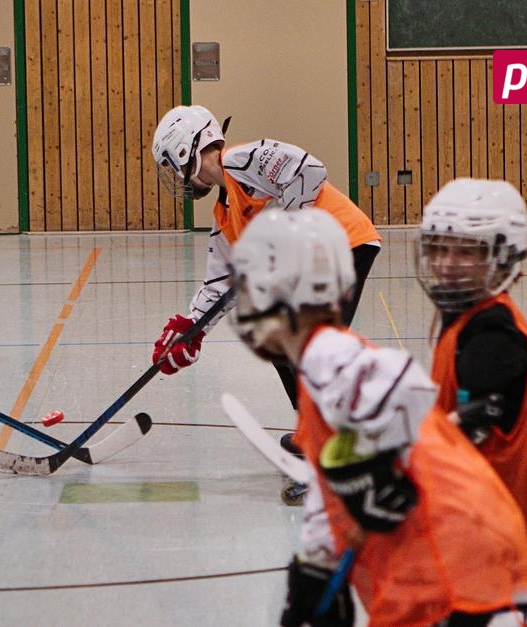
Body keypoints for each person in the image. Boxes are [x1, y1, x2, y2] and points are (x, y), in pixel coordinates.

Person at [228, 208, 527, 626]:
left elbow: (404, 385)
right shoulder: (312, 373)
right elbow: (326, 481)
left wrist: (376, 467)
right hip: (448, 559)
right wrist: (315, 566)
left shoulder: (327, 354)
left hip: (454, 564)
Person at [149, 104, 380, 503]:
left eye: (171, 164)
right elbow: (218, 282)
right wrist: (190, 330)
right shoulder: (224, 212)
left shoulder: (242, 161)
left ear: (185, 150)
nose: (173, 177)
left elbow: (310, 171)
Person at [417, 178, 527, 616]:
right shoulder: (465, 315)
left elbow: (470, 425)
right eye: (440, 248)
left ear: (501, 257)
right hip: (475, 532)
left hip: (499, 545)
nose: (447, 263)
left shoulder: (493, 332)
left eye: (466, 251)